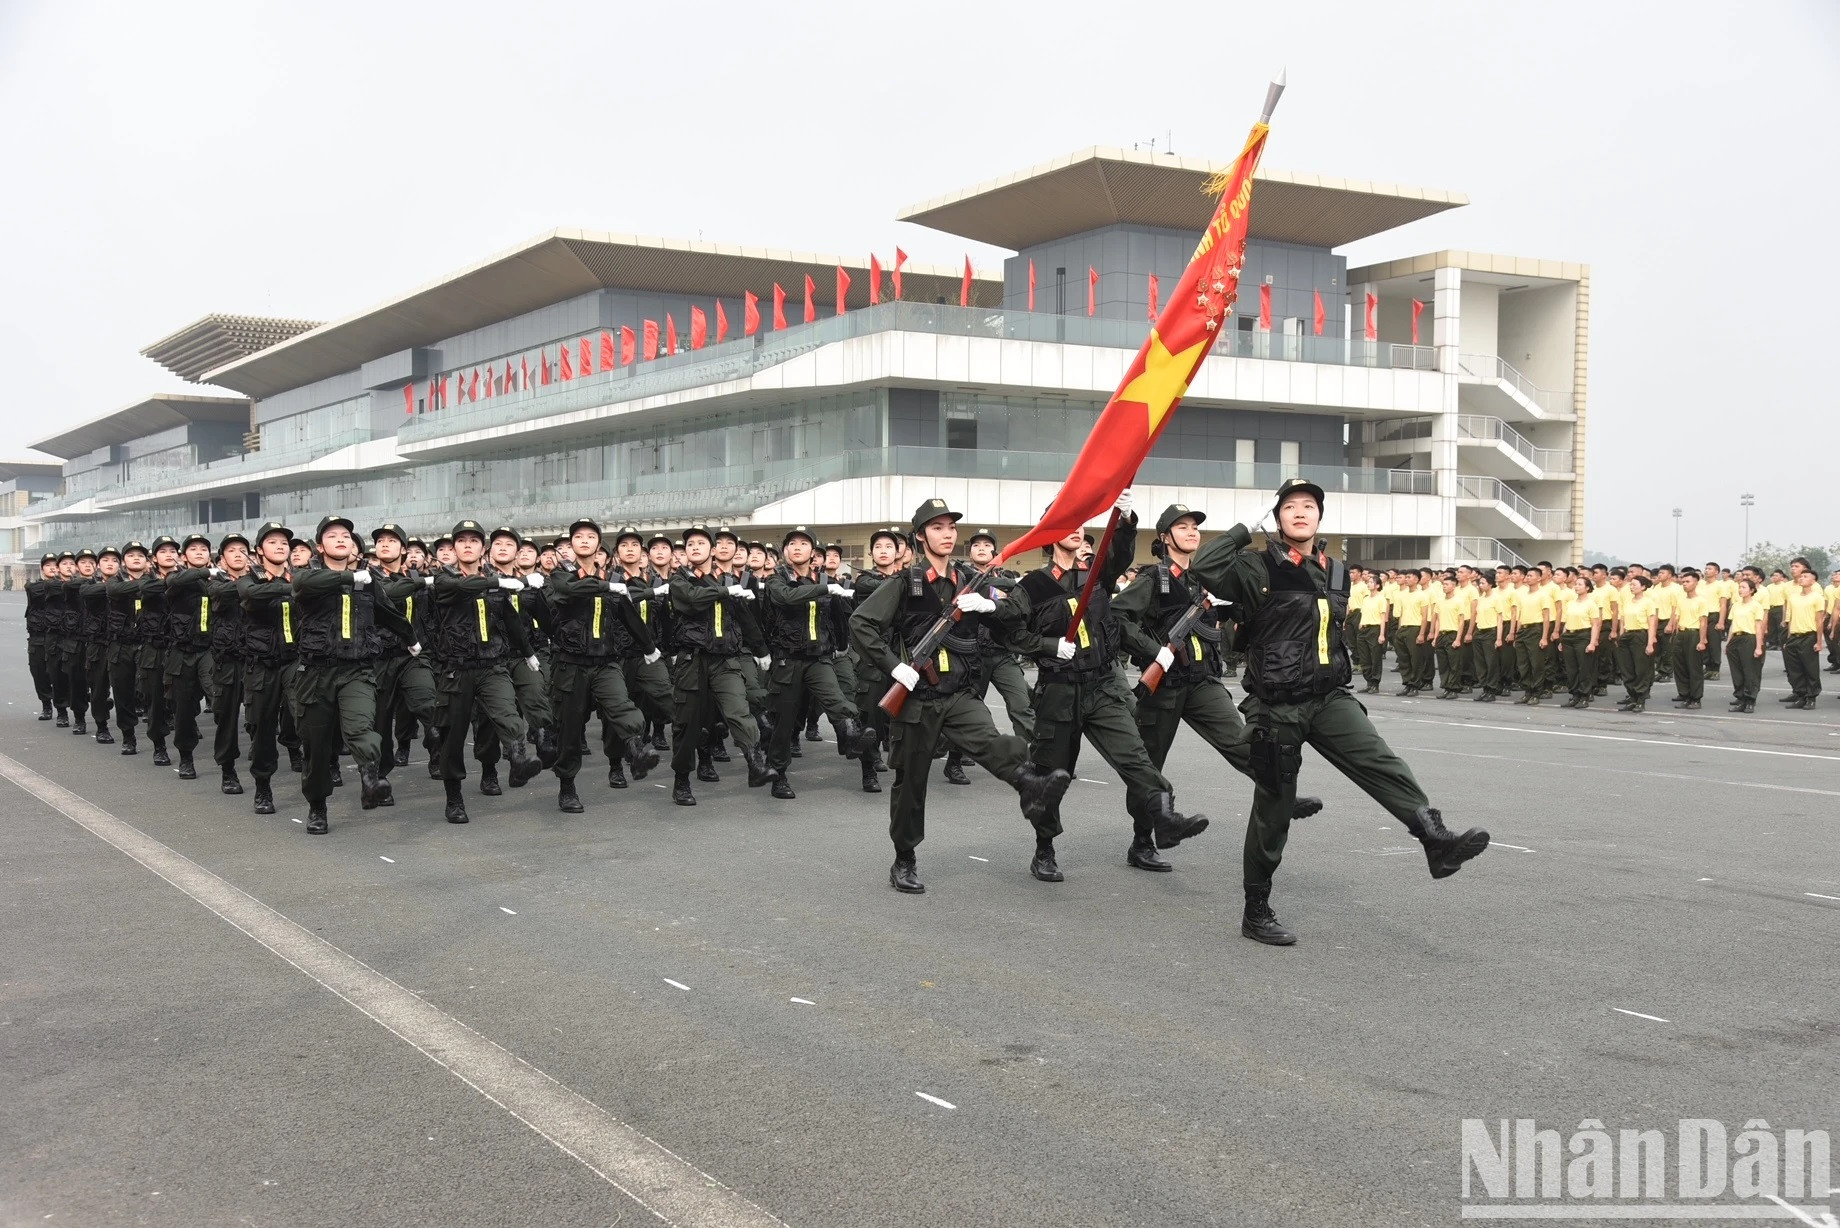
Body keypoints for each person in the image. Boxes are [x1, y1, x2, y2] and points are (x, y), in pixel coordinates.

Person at [1185, 479, 1487, 944]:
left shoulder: (1337, 572)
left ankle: (1435, 840)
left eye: (1309, 506)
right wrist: (1246, 529)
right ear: (1278, 516)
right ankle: (1256, 908)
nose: (1300, 513)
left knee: (1380, 760)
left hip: (1328, 697)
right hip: (1277, 706)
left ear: (1319, 517)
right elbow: (1205, 565)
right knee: (1274, 806)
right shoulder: (1256, 567)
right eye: (1289, 507)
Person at [849, 498, 1074, 894]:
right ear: (920, 536)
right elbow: (861, 623)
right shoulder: (905, 583)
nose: (947, 533)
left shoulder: (972, 579)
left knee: (990, 741)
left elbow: (1012, 617)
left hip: (960, 693)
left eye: (951, 526)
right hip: (917, 696)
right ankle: (904, 858)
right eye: (937, 527)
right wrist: (894, 666)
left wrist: (989, 605)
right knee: (911, 783)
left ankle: (1028, 782)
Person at [1003, 491, 1209, 882]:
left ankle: (1164, 817)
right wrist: (1048, 646)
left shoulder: (1095, 574)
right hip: (1059, 692)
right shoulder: (1032, 586)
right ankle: (1044, 849)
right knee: (1052, 775)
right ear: (1050, 534)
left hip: (1102, 687)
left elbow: (1118, 554)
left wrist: (1126, 519)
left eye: (1081, 523)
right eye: (1067, 523)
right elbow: (1012, 635)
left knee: (1135, 757)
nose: (1078, 529)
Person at [1113, 502, 1324, 873]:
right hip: (1164, 685)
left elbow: (1241, 616)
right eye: (1182, 527)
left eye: (1195, 526)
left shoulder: (1207, 579)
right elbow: (1118, 617)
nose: (1192, 531)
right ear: (1165, 538)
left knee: (1241, 739)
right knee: (1149, 764)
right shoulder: (1153, 579)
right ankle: (1143, 840)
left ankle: (1280, 794)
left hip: (1201, 682)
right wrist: (1153, 652)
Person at [291, 515, 420, 833]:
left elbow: (388, 612)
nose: (340, 539)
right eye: (332, 535)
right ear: (319, 546)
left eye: (346, 535)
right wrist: (349, 579)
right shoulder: (309, 577)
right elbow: (302, 586)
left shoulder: (367, 581)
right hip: (316, 674)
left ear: (352, 544)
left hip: (357, 671)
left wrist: (412, 640)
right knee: (317, 747)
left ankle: (369, 776)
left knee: (362, 727)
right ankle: (318, 806)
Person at [427, 519, 544, 823]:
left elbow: (510, 619)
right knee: (453, 738)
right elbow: (462, 587)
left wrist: (529, 653)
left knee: (507, 714)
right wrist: (498, 582)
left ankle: (517, 759)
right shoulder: (444, 580)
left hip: (493, 665)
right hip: (457, 670)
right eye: (461, 541)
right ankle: (454, 798)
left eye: (474, 540)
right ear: (453, 549)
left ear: (483, 548)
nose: (467, 545)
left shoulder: (494, 582)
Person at [545, 517, 663, 812]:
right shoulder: (560, 575)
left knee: (621, 705)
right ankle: (567, 786)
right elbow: (571, 592)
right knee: (570, 728)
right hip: (570, 664)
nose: (584, 540)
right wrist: (608, 587)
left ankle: (635, 748)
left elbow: (627, 615)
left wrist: (650, 648)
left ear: (599, 545)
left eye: (591, 536)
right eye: (578, 537)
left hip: (606, 661)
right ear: (571, 545)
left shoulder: (612, 580)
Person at [761, 525, 876, 799]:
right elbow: (786, 599)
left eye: (804, 543)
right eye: (792, 543)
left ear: (813, 552)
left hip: (819, 660)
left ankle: (853, 741)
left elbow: (836, 617)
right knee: (784, 724)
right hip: (787, 662)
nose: (797, 547)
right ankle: (779, 775)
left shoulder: (822, 581)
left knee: (839, 701)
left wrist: (840, 645)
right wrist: (826, 587)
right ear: (786, 550)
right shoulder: (777, 579)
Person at [666, 522, 773, 805]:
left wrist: (761, 650)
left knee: (739, 710)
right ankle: (682, 780)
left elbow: (746, 620)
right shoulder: (680, 580)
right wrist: (727, 592)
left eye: (701, 543)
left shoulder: (727, 583)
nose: (694, 548)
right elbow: (690, 600)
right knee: (687, 724)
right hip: (693, 661)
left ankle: (754, 762)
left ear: (712, 550)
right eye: (690, 545)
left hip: (725, 659)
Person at [237, 523, 299, 814]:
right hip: (261, 665)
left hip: (295, 662)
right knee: (261, 729)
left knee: (308, 717)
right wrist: (291, 587)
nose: (280, 546)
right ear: (259, 550)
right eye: (272, 542)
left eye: (284, 542)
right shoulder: (248, 579)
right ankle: (263, 787)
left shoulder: (300, 575)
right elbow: (252, 596)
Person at [848, 527, 906, 793]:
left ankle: (898, 763)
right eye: (878, 547)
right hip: (872, 659)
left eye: (889, 547)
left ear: (899, 552)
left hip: (901, 658)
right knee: (869, 716)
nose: (883, 551)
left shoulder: (905, 580)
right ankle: (868, 770)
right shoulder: (866, 582)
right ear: (871, 553)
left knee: (900, 718)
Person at [206, 534, 252, 791]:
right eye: (231, 551)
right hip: (228, 661)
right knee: (226, 717)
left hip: (257, 658)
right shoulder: (216, 584)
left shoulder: (259, 581)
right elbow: (222, 595)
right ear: (222, 559)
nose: (238, 554)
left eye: (242, 550)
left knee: (261, 715)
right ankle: (228, 769)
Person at [136, 537, 180, 764]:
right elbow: (147, 589)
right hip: (154, 651)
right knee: (155, 700)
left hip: (180, 649)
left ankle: (184, 747)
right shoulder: (147, 580)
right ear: (154, 558)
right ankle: (159, 745)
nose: (169, 554)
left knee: (183, 701)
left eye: (173, 550)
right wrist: (176, 580)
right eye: (163, 551)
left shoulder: (186, 578)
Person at [103, 543, 149, 752]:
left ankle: (159, 739)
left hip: (148, 644)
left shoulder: (155, 581)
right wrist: (147, 584)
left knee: (151, 690)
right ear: (124, 562)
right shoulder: (115, 582)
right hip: (120, 645)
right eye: (131, 555)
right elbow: (117, 590)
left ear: (148, 560)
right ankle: (128, 736)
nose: (136, 558)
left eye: (141, 555)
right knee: (122, 692)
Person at [79, 547, 117, 742]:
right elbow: (87, 593)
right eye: (105, 560)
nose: (110, 563)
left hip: (122, 644)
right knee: (99, 688)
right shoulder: (89, 586)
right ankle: (102, 726)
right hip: (98, 645)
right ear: (98, 566)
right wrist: (117, 586)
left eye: (114, 560)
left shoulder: (130, 585)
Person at [1781, 563, 1827, 709]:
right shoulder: (1793, 597)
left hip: (1809, 636)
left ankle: (1811, 697)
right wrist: (1788, 639)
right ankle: (1800, 695)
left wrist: (1819, 641)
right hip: (1794, 636)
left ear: (1813, 581)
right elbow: (1790, 619)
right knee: (1795, 669)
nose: (1802, 578)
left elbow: (1819, 621)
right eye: (1801, 576)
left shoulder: (1817, 597)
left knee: (1810, 669)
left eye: (1805, 576)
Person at [1613, 573, 1659, 713]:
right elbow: (1623, 620)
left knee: (1641, 670)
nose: (1631, 587)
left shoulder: (1648, 602)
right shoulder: (1628, 602)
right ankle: (1632, 698)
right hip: (1627, 636)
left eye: (1634, 585)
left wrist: (1650, 643)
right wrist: (1620, 637)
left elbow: (1651, 624)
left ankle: (1640, 700)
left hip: (1640, 635)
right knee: (1627, 669)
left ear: (1643, 587)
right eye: (1630, 585)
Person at [1557, 571, 1602, 708]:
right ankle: (1575, 695)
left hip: (1583, 636)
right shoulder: (1570, 603)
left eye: (1580, 584)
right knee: (1571, 668)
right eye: (1576, 584)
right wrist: (1562, 640)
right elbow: (1566, 622)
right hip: (1569, 636)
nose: (1576, 587)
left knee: (1584, 668)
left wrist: (1593, 642)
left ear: (1587, 588)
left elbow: (1596, 625)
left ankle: (1584, 696)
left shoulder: (1591, 604)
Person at [1666, 568, 1709, 710]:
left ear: (1696, 582)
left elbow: (1703, 622)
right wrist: (1675, 635)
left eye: (1688, 581)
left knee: (1694, 667)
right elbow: (1677, 619)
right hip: (1681, 634)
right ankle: (1685, 695)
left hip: (1693, 634)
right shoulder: (1681, 600)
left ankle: (1696, 698)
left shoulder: (1701, 600)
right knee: (1680, 667)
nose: (1684, 584)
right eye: (1683, 581)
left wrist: (1702, 641)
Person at [25, 554, 59, 720]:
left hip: (58, 637)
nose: (52, 568)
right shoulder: (34, 587)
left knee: (60, 673)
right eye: (48, 565)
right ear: (42, 569)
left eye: (55, 564)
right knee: (38, 672)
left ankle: (61, 708)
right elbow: (36, 590)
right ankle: (46, 704)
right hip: (37, 637)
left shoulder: (67, 587)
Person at [1724, 576, 1765, 712]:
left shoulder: (1756, 606)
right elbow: (1731, 626)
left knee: (1750, 671)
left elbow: (1759, 627)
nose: (1740, 590)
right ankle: (1740, 699)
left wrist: (1759, 647)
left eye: (1743, 587)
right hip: (1736, 638)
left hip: (1749, 639)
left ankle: (1750, 700)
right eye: (1739, 587)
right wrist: (1728, 643)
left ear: (1752, 590)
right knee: (1737, 672)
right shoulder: (1736, 605)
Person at [1469, 571, 1505, 702]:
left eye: (1483, 583)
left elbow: (1500, 619)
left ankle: (1491, 690)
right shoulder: (1481, 599)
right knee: (1480, 663)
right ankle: (1485, 689)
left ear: (1490, 584)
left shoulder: (1496, 598)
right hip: (1479, 632)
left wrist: (1499, 638)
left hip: (1491, 632)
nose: (1480, 585)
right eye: (1480, 583)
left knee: (1491, 663)